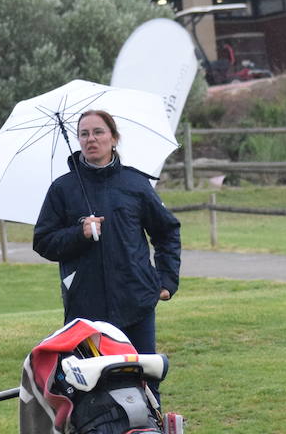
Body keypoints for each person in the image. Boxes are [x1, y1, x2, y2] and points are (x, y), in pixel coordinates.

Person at [32, 109, 181, 353]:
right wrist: (79, 234)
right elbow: (43, 241)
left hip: (137, 302)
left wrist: (166, 280)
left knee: (143, 381)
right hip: (84, 308)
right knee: (91, 385)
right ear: (78, 140)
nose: (91, 139)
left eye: (98, 132)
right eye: (84, 134)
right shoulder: (62, 189)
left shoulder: (136, 184)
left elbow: (167, 232)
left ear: (113, 138)